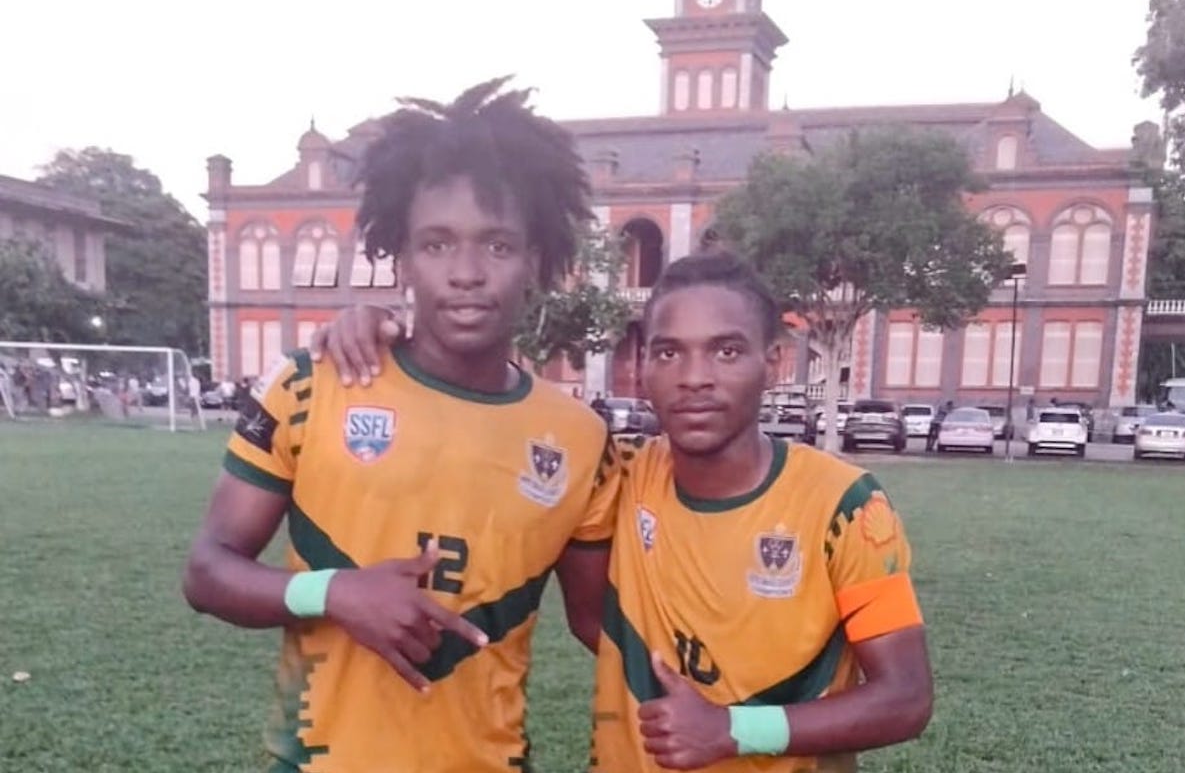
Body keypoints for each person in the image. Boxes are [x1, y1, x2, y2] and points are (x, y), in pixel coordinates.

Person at [319, 253, 932, 772]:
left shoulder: (847, 506)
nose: (694, 378)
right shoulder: (616, 476)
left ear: (771, 363)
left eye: (725, 351)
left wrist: (733, 730)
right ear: (642, 369)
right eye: (668, 353)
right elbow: (588, 614)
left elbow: (905, 698)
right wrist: (385, 330)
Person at [182, 78, 620, 773]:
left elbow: (604, 626)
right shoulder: (314, 383)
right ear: (403, 256)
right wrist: (331, 593)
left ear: (536, 258)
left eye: (498, 246)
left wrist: (757, 703)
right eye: (438, 245)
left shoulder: (581, 439)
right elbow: (207, 571)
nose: (468, 273)